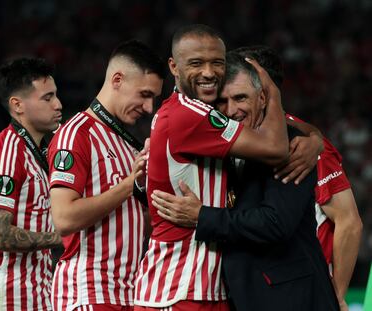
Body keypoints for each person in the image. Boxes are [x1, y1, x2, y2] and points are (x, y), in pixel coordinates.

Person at [152, 52, 340, 310]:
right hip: (243, 297)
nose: (231, 111)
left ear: (262, 98)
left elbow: (275, 223)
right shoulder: (219, 146)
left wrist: (202, 216)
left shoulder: (291, 146)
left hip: (293, 299)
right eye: (221, 101)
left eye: (240, 98)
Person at [134, 24, 289, 311]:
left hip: (203, 289)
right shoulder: (189, 115)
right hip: (179, 290)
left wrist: (314, 138)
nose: (208, 72)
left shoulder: (185, 112)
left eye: (217, 63)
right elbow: (277, 149)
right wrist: (272, 91)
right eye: (196, 63)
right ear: (174, 67)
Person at [234, 45, 362, 310]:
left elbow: (349, 223)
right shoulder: (243, 137)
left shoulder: (302, 146)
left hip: (304, 290)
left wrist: (336, 295)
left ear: (263, 91)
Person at [48, 39, 165, 310]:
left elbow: (130, 223)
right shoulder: (77, 134)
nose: (150, 108)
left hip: (127, 294)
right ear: (117, 80)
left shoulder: (127, 145)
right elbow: (64, 218)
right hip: (88, 293)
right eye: (145, 94)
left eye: (154, 98)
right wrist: (129, 185)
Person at [0, 57, 63, 310]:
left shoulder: (37, 151)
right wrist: (62, 238)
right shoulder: (7, 154)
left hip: (36, 289)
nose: (58, 105)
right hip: (6, 293)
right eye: (47, 98)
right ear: (18, 105)